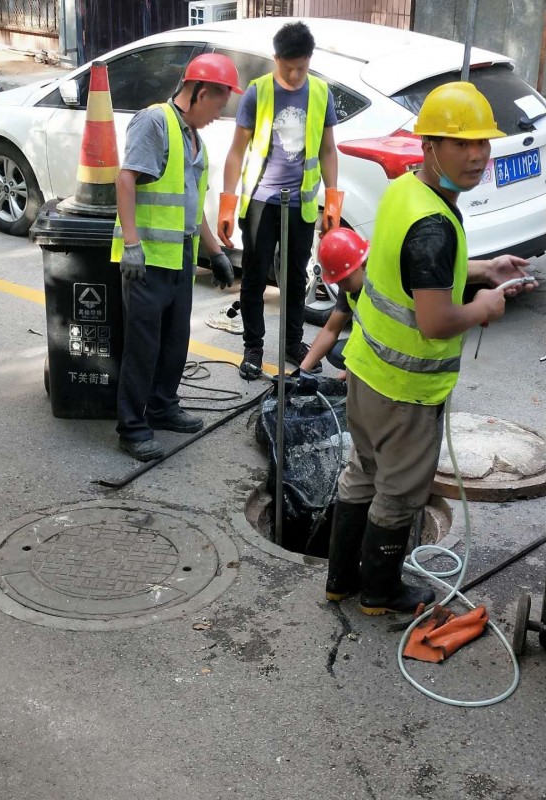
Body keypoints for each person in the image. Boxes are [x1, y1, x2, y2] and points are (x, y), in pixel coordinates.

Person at [325, 81, 536, 614]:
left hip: (366, 370)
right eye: (460, 143)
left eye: (483, 143)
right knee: (398, 493)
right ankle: (380, 592)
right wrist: (483, 307)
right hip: (405, 391)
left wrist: (484, 269)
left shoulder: (405, 191)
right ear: (429, 146)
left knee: (362, 475)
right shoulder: (435, 226)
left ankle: (339, 582)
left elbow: (411, 274)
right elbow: (437, 318)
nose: (476, 155)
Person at [111, 54, 242, 462]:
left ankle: (163, 407)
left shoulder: (192, 137)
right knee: (143, 347)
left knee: (174, 341)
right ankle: (132, 428)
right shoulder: (155, 122)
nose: (217, 115)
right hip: (146, 258)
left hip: (179, 257)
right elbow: (126, 178)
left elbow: (191, 204)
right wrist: (131, 243)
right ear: (200, 92)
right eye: (217, 106)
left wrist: (216, 253)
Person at [217, 21, 343, 380]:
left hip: (300, 205)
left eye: (301, 67)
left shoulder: (320, 93)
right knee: (255, 278)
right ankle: (253, 346)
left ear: (309, 60)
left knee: (293, 279)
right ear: (275, 59)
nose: (293, 74)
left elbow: (328, 150)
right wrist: (227, 204)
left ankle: (292, 342)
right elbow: (236, 152)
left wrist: (332, 200)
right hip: (261, 201)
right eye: (287, 66)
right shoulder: (258, 93)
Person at [300, 227, 369, 376]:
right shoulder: (352, 282)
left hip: (399, 355)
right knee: (336, 351)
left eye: (344, 279)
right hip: (373, 346)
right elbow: (331, 330)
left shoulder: (381, 289)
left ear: (363, 264)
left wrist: (351, 373)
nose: (341, 286)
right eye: (337, 282)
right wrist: (302, 371)